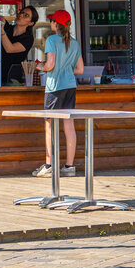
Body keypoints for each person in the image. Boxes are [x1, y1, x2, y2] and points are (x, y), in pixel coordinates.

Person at [35, 9, 83, 178]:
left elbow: (50, 65)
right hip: (71, 86)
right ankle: (69, 166)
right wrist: (66, 69)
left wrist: (38, 66)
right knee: (68, 125)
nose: (50, 23)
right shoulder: (75, 43)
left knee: (49, 124)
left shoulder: (52, 40)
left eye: (52, 21)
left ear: (55, 23)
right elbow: (80, 69)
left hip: (54, 87)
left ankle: (49, 165)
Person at [0, 5, 37, 86]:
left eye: (26, 16)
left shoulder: (28, 39)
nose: (21, 15)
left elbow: (9, 49)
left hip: (12, 80)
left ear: (31, 23)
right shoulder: (7, 28)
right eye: (21, 12)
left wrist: (1, 30)